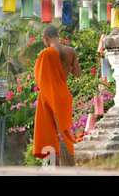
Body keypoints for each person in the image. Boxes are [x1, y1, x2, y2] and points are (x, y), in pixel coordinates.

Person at [32, 25, 81, 163]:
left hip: (49, 95)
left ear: (45, 38)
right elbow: (77, 73)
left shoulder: (46, 54)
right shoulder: (71, 51)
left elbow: (39, 79)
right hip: (63, 94)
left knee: (51, 132)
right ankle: (68, 161)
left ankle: (56, 165)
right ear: (58, 36)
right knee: (64, 131)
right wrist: (65, 67)